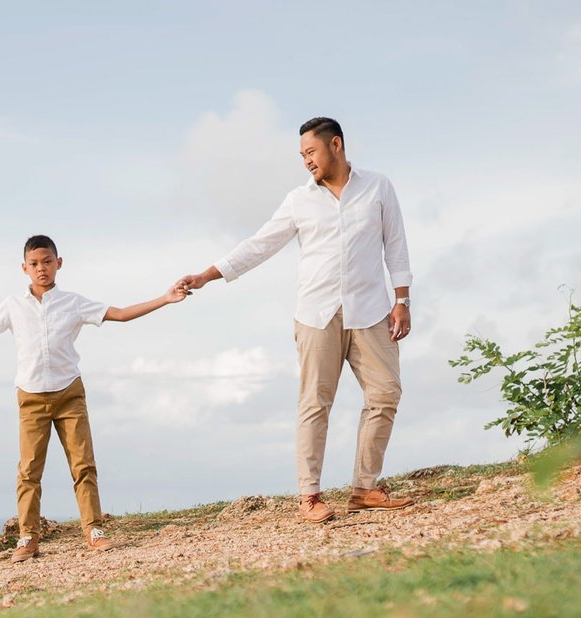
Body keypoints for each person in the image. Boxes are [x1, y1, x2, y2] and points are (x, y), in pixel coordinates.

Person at [176, 118, 415, 523]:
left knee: (385, 393)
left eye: (311, 152)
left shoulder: (378, 186)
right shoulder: (298, 200)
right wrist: (207, 274)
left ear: (335, 145)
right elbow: (259, 245)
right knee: (315, 404)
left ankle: (365, 487)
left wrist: (402, 298)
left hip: (371, 311)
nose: (306, 161)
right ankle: (310, 495)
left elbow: (395, 243)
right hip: (317, 315)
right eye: (302, 155)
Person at [0, 234, 188, 561]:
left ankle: (94, 531)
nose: (41, 269)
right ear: (24, 268)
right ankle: (27, 538)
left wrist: (165, 298)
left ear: (59, 263)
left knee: (83, 465)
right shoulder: (12, 306)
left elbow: (121, 314)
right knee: (29, 470)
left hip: (69, 392)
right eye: (34, 264)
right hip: (30, 397)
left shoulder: (74, 302)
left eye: (47, 262)